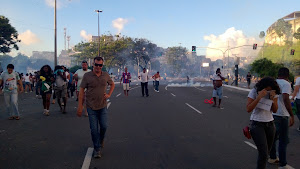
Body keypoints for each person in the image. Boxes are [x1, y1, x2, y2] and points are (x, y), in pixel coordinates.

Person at [77, 57, 115, 158]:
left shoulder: (105, 75)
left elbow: (112, 84)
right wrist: (80, 106)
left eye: (100, 65)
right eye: (96, 64)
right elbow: (81, 91)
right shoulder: (87, 76)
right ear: (92, 64)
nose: (98, 67)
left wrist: (109, 94)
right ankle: (97, 149)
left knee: (104, 126)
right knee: (94, 129)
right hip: (91, 106)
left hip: (102, 106)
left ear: (102, 66)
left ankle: (101, 139)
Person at [246, 77, 280, 169]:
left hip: (270, 124)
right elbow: (248, 108)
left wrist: (273, 99)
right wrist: (259, 97)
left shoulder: (274, 93)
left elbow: (275, 110)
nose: (268, 92)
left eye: (270, 90)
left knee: (266, 153)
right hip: (257, 124)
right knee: (263, 153)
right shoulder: (254, 91)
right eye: (267, 90)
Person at [268, 68, 294, 169]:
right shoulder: (286, 84)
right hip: (282, 115)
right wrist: (291, 114)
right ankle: (283, 164)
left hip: (272, 113)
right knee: (283, 140)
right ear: (287, 75)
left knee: (273, 138)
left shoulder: (273, 82)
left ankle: (272, 157)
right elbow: (286, 98)